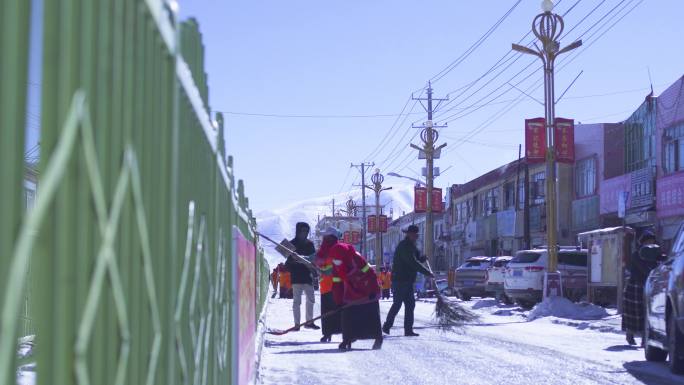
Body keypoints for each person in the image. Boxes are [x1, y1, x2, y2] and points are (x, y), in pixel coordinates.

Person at [318, 227, 383, 351]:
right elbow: (337, 282)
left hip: (367, 292)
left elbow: (370, 275)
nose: (336, 262)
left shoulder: (357, 259)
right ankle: (347, 339)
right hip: (351, 293)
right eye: (335, 260)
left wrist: (372, 291)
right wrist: (338, 301)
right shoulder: (337, 264)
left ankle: (378, 338)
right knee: (347, 315)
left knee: (371, 316)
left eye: (338, 259)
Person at [382, 225, 434, 337]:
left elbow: (416, 259)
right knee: (397, 304)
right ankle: (387, 326)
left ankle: (408, 330)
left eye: (417, 235)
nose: (416, 236)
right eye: (414, 234)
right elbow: (412, 262)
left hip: (408, 281)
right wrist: (427, 273)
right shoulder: (404, 246)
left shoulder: (412, 246)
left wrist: (422, 258)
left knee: (410, 305)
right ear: (409, 234)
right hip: (400, 280)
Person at [622, 230, 662, 345]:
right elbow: (645, 270)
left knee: (647, 313)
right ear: (643, 242)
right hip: (636, 286)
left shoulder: (656, 255)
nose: (650, 243)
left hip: (650, 286)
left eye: (652, 241)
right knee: (634, 313)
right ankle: (630, 334)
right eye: (648, 241)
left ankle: (645, 339)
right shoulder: (637, 254)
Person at [285, 222, 319, 330]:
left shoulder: (310, 244)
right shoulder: (291, 244)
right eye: (302, 231)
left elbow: (314, 260)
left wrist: (315, 277)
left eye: (306, 231)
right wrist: (294, 260)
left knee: (311, 300)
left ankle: (309, 322)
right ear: (298, 231)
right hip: (296, 277)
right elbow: (287, 264)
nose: (304, 233)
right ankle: (297, 324)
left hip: (307, 277)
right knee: (297, 302)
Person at [315, 228, 344, 342]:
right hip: (325, 287)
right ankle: (327, 333)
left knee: (338, 312)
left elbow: (341, 264)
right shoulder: (321, 251)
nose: (325, 240)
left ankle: (343, 333)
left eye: (327, 237)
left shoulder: (339, 250)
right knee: (326, 312)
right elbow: (317, 262)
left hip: (337, 286)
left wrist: (329, 269)